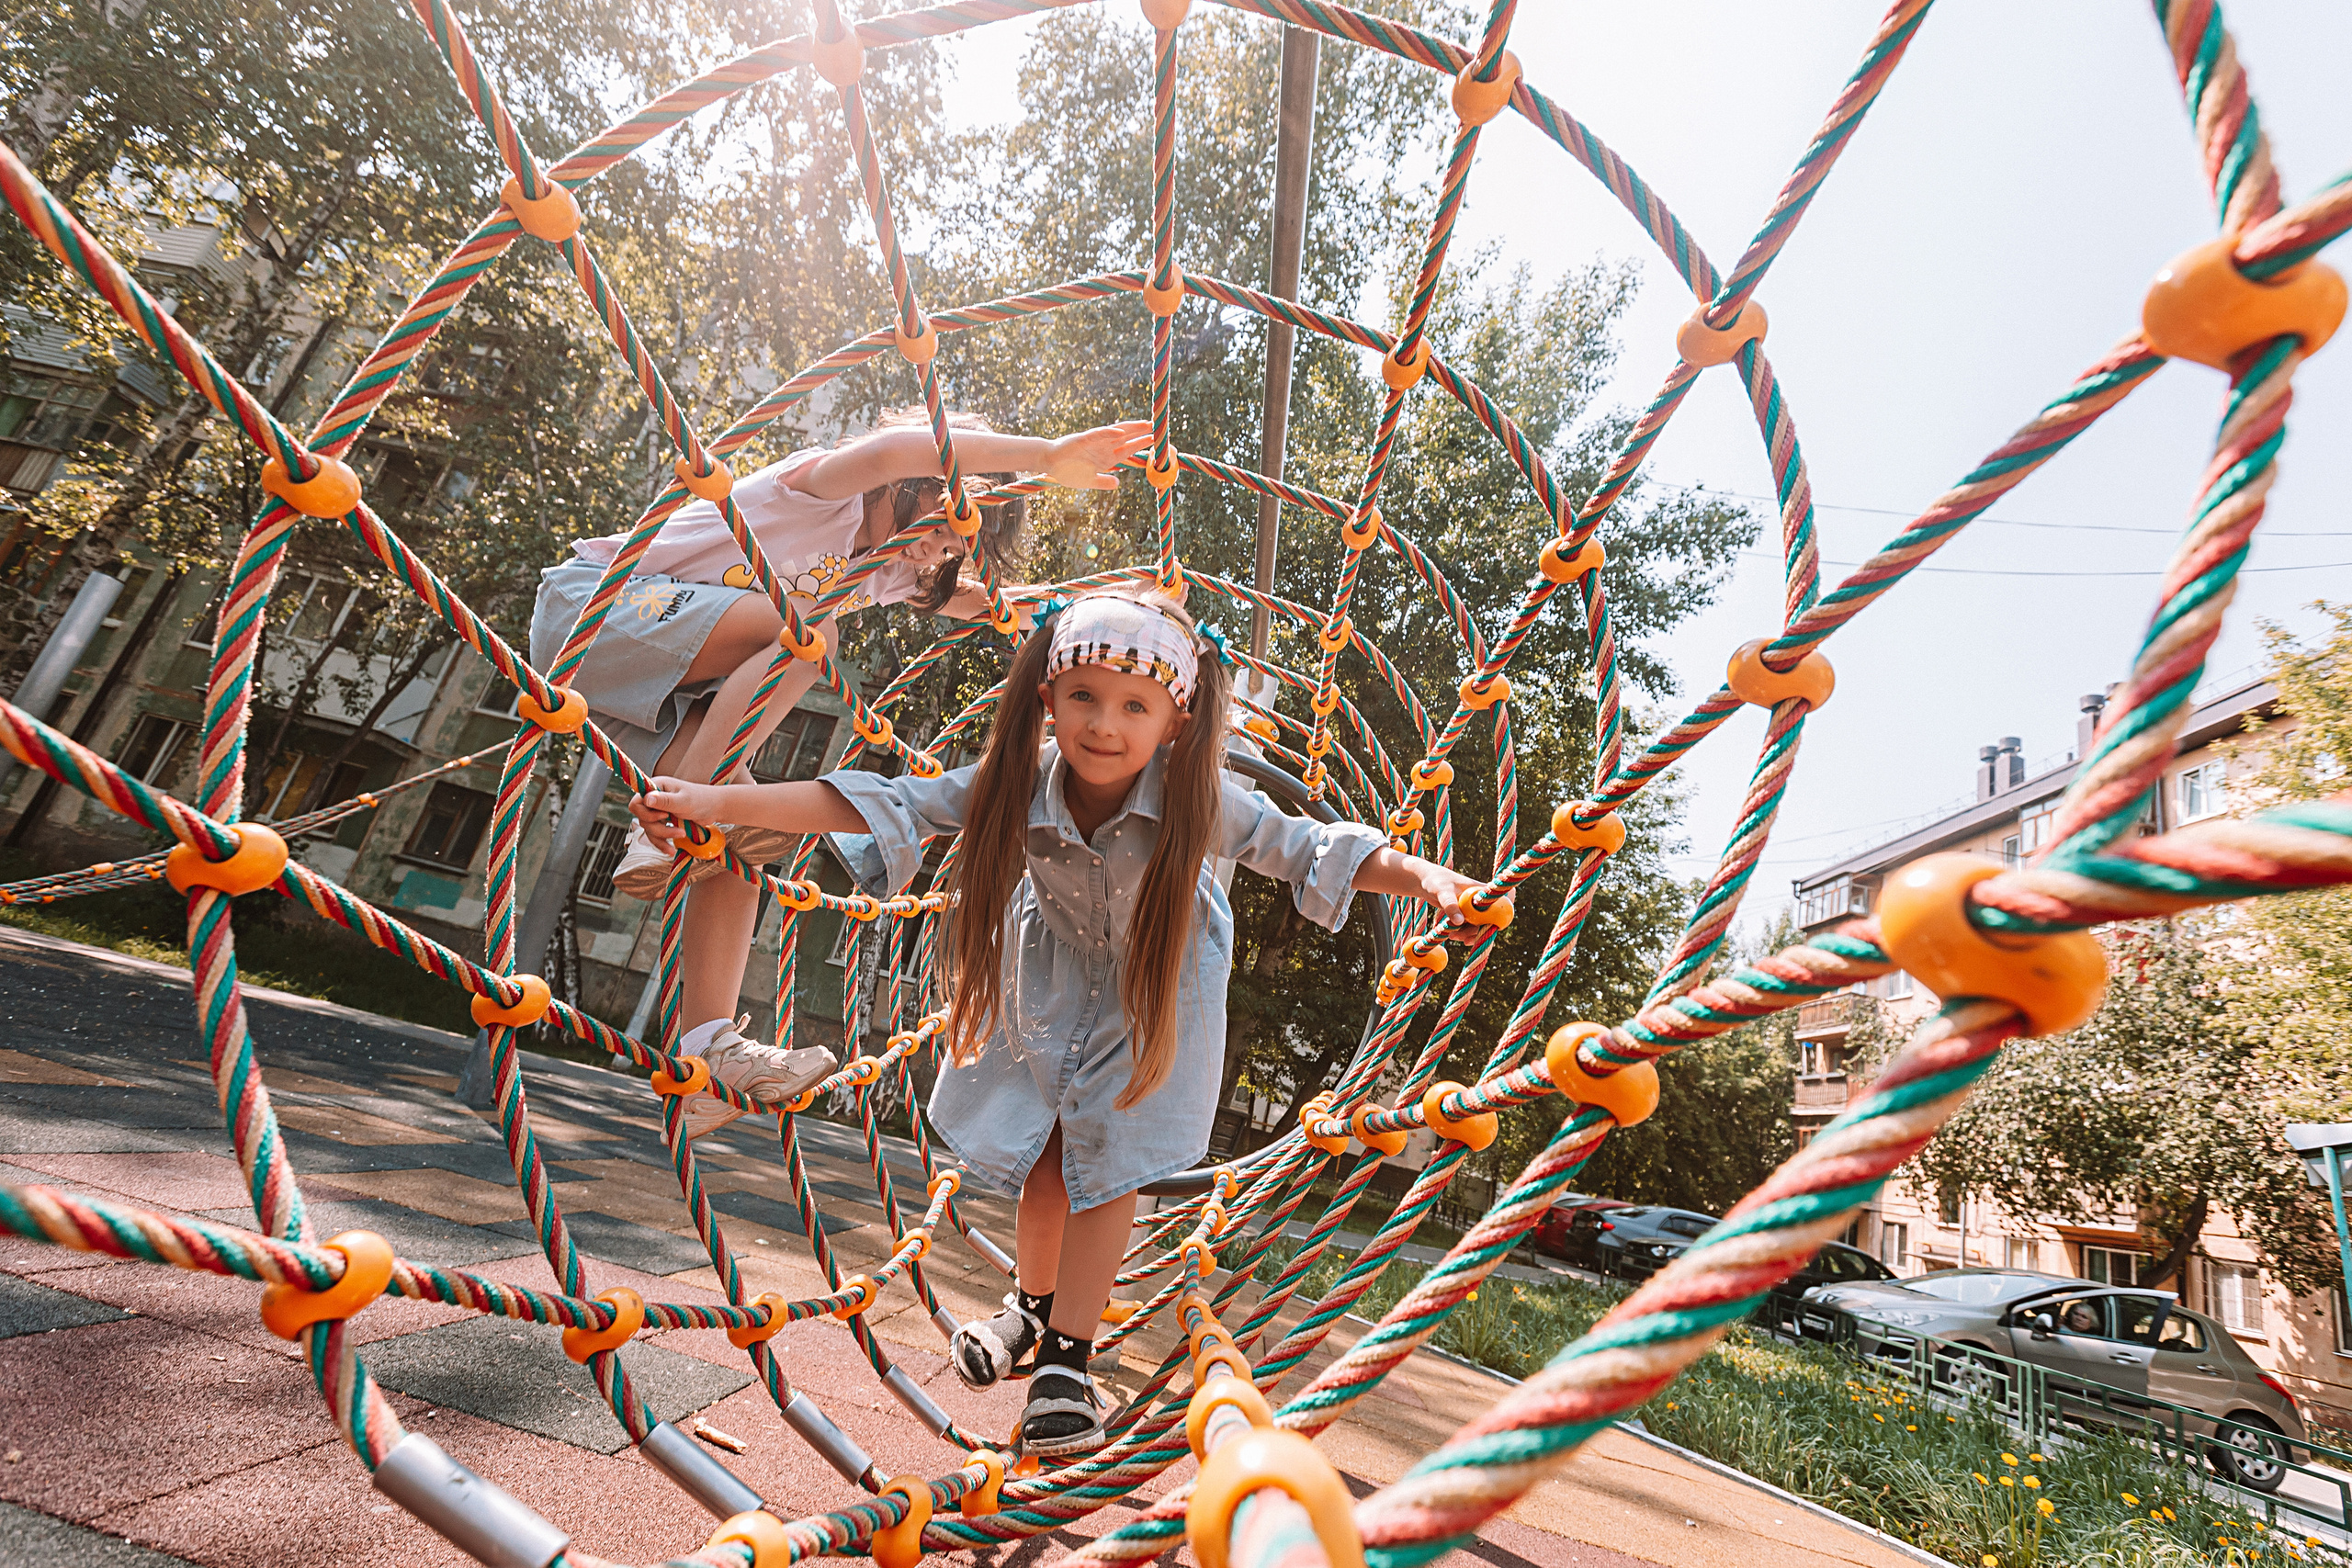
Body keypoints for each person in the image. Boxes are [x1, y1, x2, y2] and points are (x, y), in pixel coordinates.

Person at [629, 589, 1482, 1457]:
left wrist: (1428, 880)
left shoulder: (1199, 797)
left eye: (1135, 706)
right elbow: (879, 800)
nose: (1105, 724)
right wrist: (713, 802)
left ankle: (1068, 1362)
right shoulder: (1015, 779)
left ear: (1176, 721)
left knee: (1106, 1165)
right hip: (1051, 974)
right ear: (1047, 696)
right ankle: (1031, 1312)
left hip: (1157, 984)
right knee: (1045, 1154)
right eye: (1084, 696)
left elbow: (1310, 846)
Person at [532, 412, 1149, 1136]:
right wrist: (1046, 454)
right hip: (599, 609)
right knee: (809, 633)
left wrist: (1098, 607)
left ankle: (707, 1056)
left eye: (953, 548)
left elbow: (985, 603)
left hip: (647, 683)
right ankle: (677, 814)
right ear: (921, 481)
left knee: (746, 827)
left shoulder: (887, 569)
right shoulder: (825, 490)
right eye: (945, 523)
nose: (936, 551)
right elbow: (894, 450)